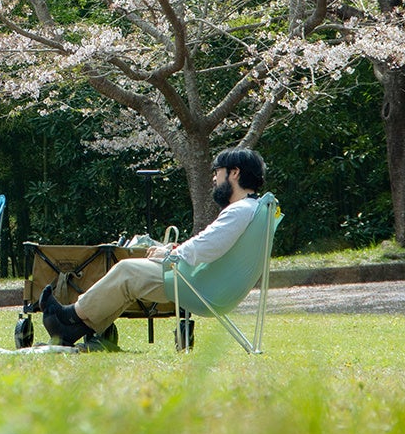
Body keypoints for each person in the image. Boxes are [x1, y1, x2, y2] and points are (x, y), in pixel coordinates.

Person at [41, 147, 267, 346]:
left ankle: (68, 317)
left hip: (201, 287)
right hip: (213, 285)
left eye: (217, 172)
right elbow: (216, 244)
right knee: (131, 280)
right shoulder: (255, 208)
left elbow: (209, 244)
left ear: (234, 173)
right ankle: (73, 330)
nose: (214, 179)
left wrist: (171, 253)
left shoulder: (239, 210)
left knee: (127, 270)